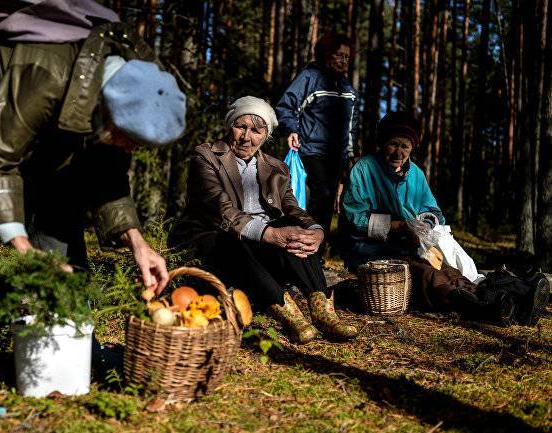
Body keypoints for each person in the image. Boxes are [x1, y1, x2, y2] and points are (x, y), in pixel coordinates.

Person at [0, 0, 186, 423]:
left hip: (22, 125)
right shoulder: (48, 74)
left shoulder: (130, 87)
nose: (131, 150)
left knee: (63, 212)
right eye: (127, 140)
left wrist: (137, 241)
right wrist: (22, 246)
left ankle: (65, 342)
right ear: (108, 109)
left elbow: (105, 174)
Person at [169, 96, 357, 345]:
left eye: (256, 130)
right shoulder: (206, 156)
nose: (247, 137)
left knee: (298, 231)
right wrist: (269, 234)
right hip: (216, 239)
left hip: (262, 246)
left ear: (266, 135)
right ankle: (288, 315)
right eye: (241, 127)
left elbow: (292, 207)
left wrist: (316, 230)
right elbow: (219, 207)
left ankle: (321, 308)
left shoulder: (276, 167)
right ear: (229, 126)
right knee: (236, 239)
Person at [341, 111, 549, 324]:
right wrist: (398, 226)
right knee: (429, 276)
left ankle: (517, 300)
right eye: (393, 144)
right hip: (372, 252)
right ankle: (489, 309)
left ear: (412, 148)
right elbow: (353, 217)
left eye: (405, 146)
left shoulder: (416, 174)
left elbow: (434, 211)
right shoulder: (364, 169)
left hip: (410, 246)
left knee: (451, 271)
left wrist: (425, 225)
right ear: (382, 142)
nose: (399, 153)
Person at [275, 33, 358, 240]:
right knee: (321, 196)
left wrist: (350, 154)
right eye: (339, 55)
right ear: (325, 54)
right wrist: (292, 130)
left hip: (336, 155)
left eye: (347, 57)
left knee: (329, 202)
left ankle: (317, 253)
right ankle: (303, 245)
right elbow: (286, 106)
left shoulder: (347, 88)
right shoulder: (310, 77)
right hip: (310, 150)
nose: (344, 60)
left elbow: (351, 125)